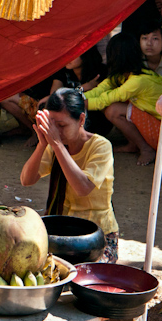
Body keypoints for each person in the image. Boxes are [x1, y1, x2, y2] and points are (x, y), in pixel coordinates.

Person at [20, 87, 119, 263]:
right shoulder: (55, 145)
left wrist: (56, 144)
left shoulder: (101, 147)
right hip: (62, 232)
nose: (56, 131)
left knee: (85, 278)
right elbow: (26, 180)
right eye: (52, 124)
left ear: (81, 119)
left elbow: (83, 187)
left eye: (62, 125)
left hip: (97, 237)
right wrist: (42, 144)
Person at [85, 33, 162, 166]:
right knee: (111, 106)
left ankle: (146, 149)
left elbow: (104, 99)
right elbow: (99, 90)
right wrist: (78, 96)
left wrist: (78, 103)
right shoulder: (124, 75)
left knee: (113, 110)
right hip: (158, 127)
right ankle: (134, 144)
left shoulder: (137, 81)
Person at [48, 47, 112, 137]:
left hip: (96, 120)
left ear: (85, 54)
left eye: (73, 55)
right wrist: (84, 87)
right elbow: (54, 95)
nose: (68, 58)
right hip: (72, 119)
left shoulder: (98, 71)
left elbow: (101, 100)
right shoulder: (63, 70)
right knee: (47, 103)